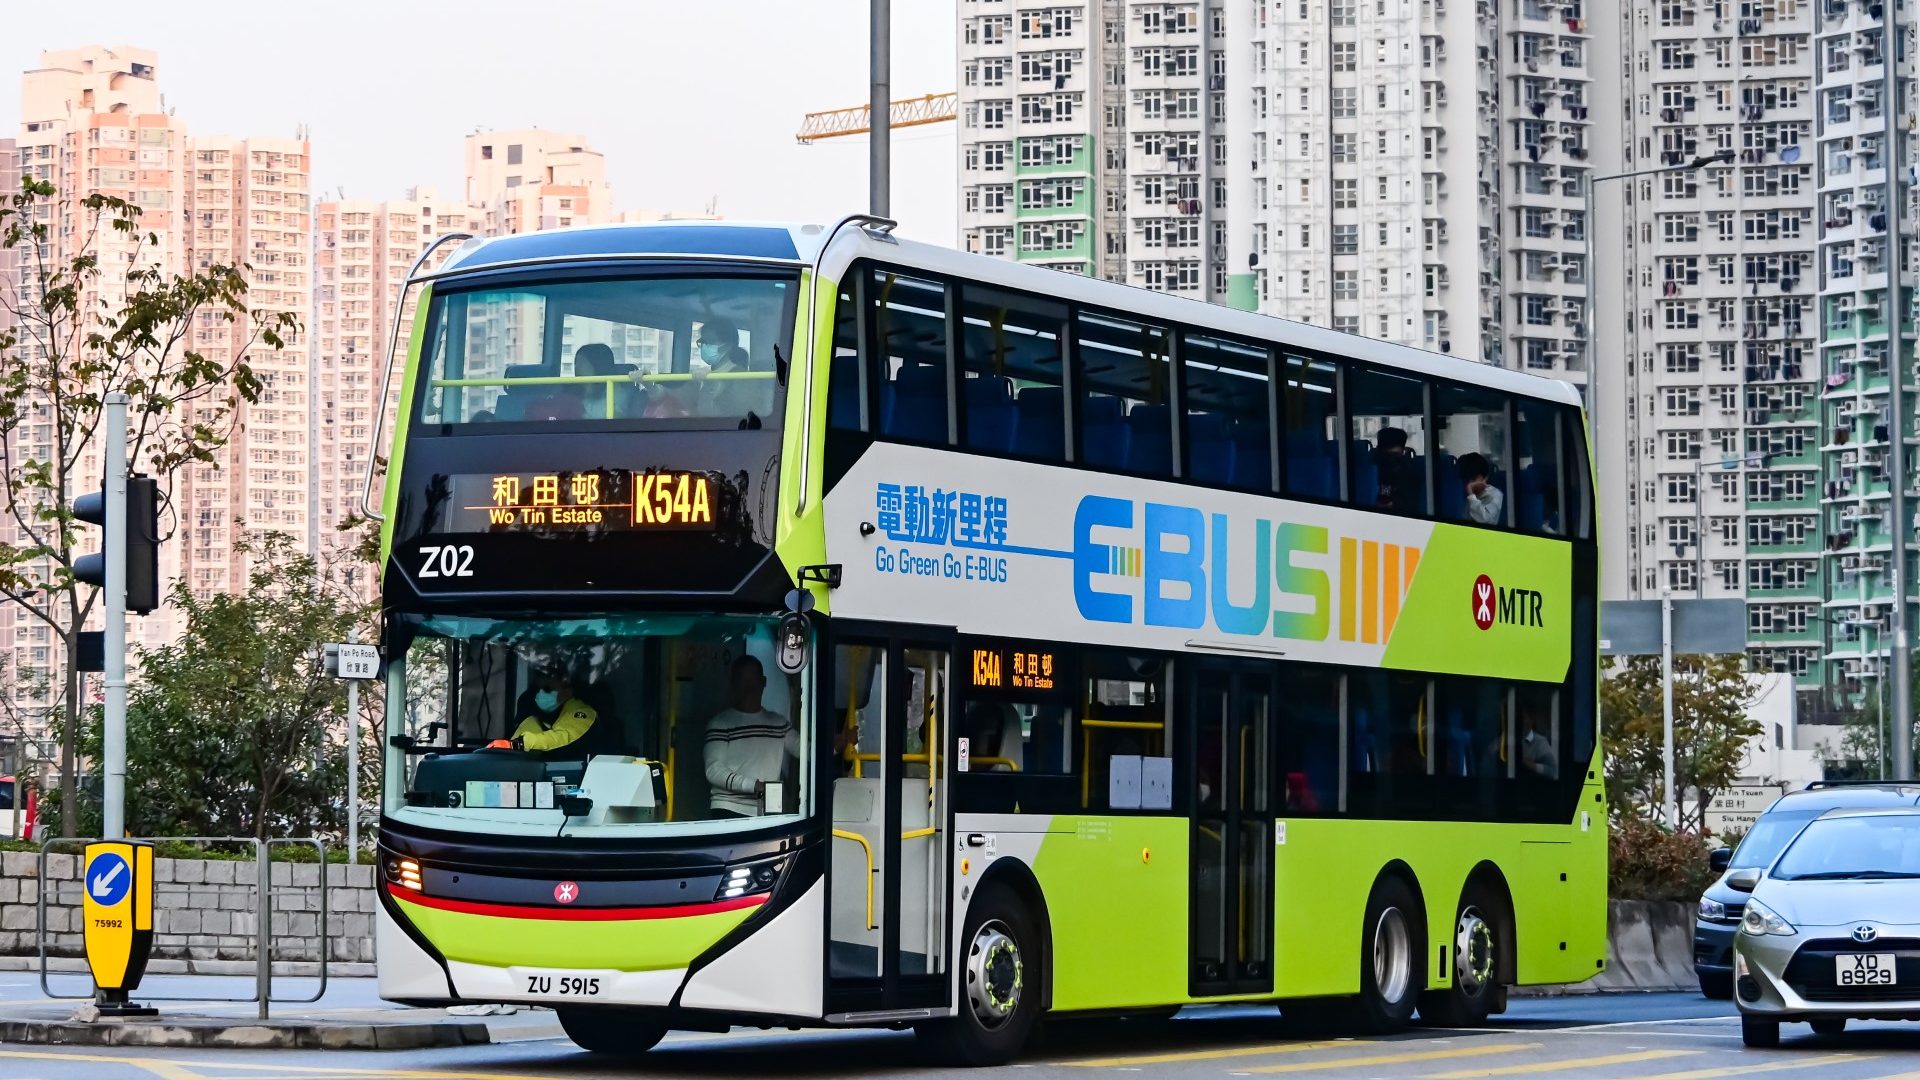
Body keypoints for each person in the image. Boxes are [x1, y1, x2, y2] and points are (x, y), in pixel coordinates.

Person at [704, 655, 799, 817]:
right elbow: (713, 770)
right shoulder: (720, 724)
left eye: (753, 680)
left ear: (763, 682)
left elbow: (806, 750)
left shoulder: (778, 723)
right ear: (734, 684)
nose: (750, 687)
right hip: (728, 809)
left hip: (767, 811)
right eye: (743, 680)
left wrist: (838, 744)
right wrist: (755, 785)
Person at [508, 665, 598, 753]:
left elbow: (563, 737)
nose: (540, 693)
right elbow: (511, 748)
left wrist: (525, 743)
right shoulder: (533, 719)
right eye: (538, 689)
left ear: (567, 690)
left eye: (547, 689)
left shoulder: (582, 713)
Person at [1372, 426, 1420, 514]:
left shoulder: (1409, 472)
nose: (1390, 459)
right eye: (1385, 454)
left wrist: (1394, 504)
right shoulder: (1370, 470)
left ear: (1403, 451)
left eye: (1394, 454)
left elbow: (1412, 501)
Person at [1457, 451, 1506, 526]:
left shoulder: (1495, 494)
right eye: (1466, 480)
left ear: (1485, 478)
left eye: (1473, 479)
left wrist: (1471, 495)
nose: (1469, 484)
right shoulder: (1466, 495)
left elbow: (1483, 519)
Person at [1520, 708, 1558, 779]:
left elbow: (1553, 771)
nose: (1519, 722)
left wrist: (1528, 764)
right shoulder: (1505, 739)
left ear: (1531, 720)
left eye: (1522, 718)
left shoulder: (1540, 741)